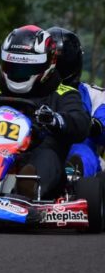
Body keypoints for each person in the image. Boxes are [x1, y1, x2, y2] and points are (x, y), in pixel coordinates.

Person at [0, 25, 89, 199]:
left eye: (26, 69)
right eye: (14, 67)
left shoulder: (63, 94)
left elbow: (81, 124)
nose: (19, 73)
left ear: (49, 64)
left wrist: (55, 120)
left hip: (41, 155)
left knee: (47, 155)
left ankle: (29, 187)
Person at [48, 27, 105, 177]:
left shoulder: (95, 95)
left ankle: (71, 185)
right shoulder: (30, 92)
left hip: (78, 149)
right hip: (36, 145)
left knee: (82, 152)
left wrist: (90, 125)